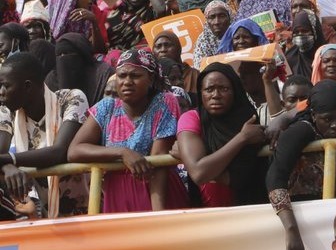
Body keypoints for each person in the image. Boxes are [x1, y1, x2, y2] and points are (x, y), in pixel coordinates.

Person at [67, 49, 190, 212]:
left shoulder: (165, 102)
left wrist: (158, 215)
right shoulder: (106, 107)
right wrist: (122, 152)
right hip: (117, 194)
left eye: (135, 76)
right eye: (122, 76)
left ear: (151, 79)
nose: (127, 82)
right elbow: (74, 150)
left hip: (157, 193)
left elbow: (158, 161)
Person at [264, 79, 336, 250]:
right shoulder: (301, 131)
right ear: (314, 114)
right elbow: (275, 177)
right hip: (304, 225)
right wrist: (292, 230)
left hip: (335, 222)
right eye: (328, 119)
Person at [0, 53, 89, 219]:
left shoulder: (71, 99)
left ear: (27, 86)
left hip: (85, 211)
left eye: (5, 86)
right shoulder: (7, 111)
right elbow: (0, 155)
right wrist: (7, 166)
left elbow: (58, 152)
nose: (1, 92)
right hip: (42, 219)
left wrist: (9, 160)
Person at [176, 62, 268, 207]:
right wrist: (242, 138)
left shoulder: (249, 119)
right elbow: (199, 173)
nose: (216, 95)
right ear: (201, 93)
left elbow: (243, 174)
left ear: (235, 91)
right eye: (209, 89)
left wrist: (196, 159)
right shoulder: (192, 118)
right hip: (207, 210)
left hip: (251, 207)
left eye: (224, 89)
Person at [193, 1, 233, 67]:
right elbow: (200, 67)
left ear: (230, 18)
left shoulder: (237, 34)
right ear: (206, 20)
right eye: (212, 17)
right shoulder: (204, 39)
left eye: (222, 16)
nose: (217, 22)